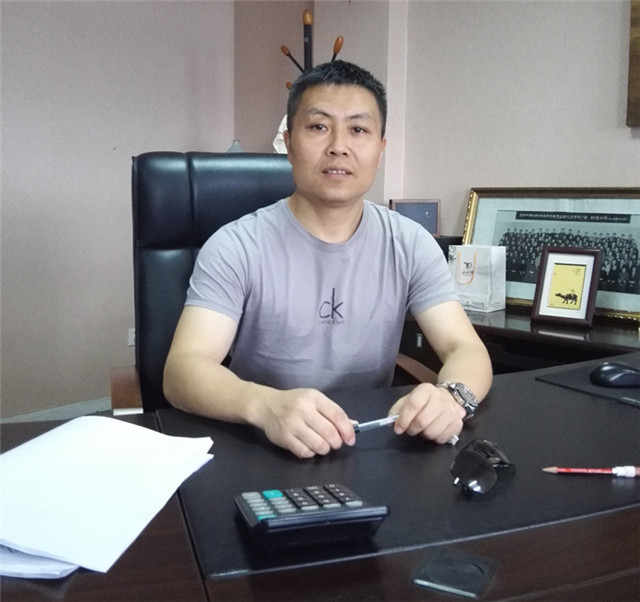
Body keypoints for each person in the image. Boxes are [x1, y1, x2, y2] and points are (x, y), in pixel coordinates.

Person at [163, 60, 492, 459]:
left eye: (359, 130)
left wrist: (452, 398)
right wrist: (265, 406)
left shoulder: (410, 243)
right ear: (289, 143)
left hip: (372, 445)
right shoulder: (236, 245)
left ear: (380, 150)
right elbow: (184, 369)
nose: (339, 146)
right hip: (263, 445)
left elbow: (464, 348)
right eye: (319, 127)